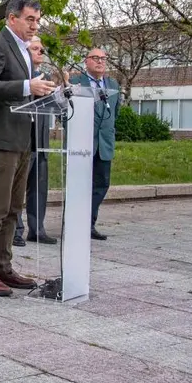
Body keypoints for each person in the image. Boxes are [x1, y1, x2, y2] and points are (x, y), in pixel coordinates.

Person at [0, 0, 56, 296]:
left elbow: (25, 92)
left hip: (23, 139)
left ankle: (3, 267)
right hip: (1, 138)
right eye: (30, 19)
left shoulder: (23, 50)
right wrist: (26, 86)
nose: (35, 25)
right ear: (12, 18)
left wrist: (43, 91)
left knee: (13, 209)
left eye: (37, 19)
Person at [70, 48, 120, 241]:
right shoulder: (75, 83)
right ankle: (74, 223)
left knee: (101, 184)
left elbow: (115, 113)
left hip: (104, 143)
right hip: (81, 143)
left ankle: (88, 224)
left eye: (103, 58)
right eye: (95, 58)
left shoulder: (112, 84)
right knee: (79, 185)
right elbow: (64, 112)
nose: (100, 61)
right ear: (86, 61)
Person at [13, 38, 57, 246]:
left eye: (42, 49)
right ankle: (15, 229)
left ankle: (37, 229)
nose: (40, 52)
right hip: (22, 138)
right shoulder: (19, 76)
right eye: (35, 49)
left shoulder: (46, 76)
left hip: (41, 139)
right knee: (17, 187)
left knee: (39, 186)